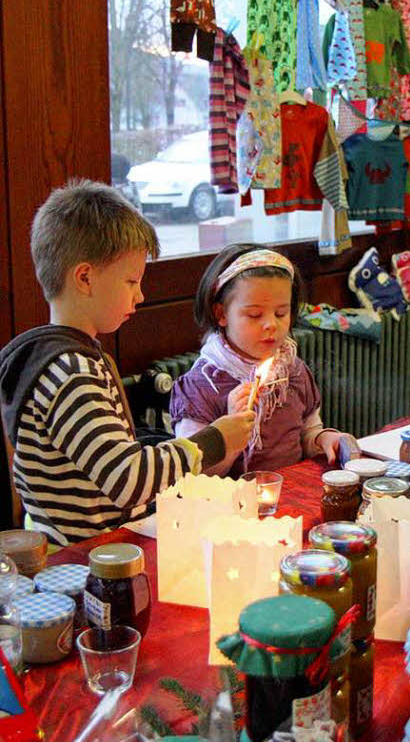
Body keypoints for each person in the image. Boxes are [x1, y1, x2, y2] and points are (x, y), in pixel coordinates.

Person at [0, 181, 255, 546]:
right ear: (85, 278)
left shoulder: (61, 358)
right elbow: (128, 480)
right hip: (83, 558)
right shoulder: (71, 374)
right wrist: (214, 440)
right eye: (131, 281)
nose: (140, 294)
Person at [170, 244, 361, 475]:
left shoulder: (294, 371)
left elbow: (308, 433)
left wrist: (324, 439)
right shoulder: (201, 386)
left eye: (281, 313)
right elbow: (194, 475)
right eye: (255, 315)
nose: (271, 324)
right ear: (221, 314)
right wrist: (227, 435)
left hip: (290, 495)